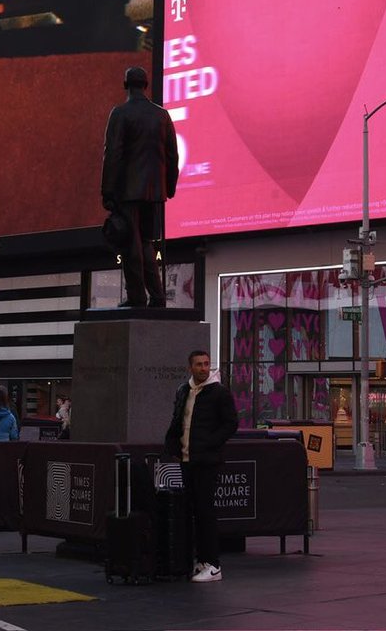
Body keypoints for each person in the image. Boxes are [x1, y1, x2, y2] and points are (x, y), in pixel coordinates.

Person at [101, 65, 179, 308]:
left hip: (128, 191)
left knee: (131, 244)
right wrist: (169, 186)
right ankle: (157, 296)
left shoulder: (120, 113)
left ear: (126, 84)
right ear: (145, 85)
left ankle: (137, 297)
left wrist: (108, 191)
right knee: (145, 243)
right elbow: (172, 155)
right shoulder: (162, 115)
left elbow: (112, 154)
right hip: (154, 192)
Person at [163, 349, 239, 583]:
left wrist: (209, 444)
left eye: (206, 364)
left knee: (206, 513)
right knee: (192, 512)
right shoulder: (183, 391)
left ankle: (214, 565)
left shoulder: (219, 393)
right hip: (187, 461)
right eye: (199, 364)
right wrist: (173, 447)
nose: (204, 368)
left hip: (207, 462)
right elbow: (178, 421)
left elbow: (231, 424)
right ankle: (202, 561)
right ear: (190, 367)